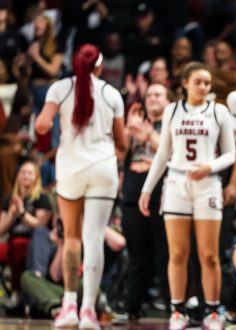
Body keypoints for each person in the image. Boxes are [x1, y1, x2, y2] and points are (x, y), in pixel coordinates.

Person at [35, 44, 127, 330]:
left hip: (71, 167)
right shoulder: (111, 93)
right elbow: (123, 144)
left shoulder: (59, 88)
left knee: (72, 238)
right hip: (103, 168)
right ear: (99, 67)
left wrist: (55, 131)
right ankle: (89, 310)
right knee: (95, 237)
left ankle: (70, 306)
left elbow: (41, 125)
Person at [138, 61, 236, 330]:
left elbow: (230, 154)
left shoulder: (219, 111)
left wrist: (209, 166)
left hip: (207, 184)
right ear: (185, 83)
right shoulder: (172, 110)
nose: (204, 86)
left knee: (209, 255)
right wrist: (147, 189)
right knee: (178, 253)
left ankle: (213, 312)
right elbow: (162, 154)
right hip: (177, 183)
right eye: (198, 82)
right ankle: (177, 310)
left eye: (207, 82)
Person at [120, 84, 171, 320]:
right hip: (132, 195)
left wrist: (147, 135)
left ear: (168, 100)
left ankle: (174, 308)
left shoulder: (171, 123)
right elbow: (120, 155)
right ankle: (132, 309)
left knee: (165, 256)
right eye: (149, 94)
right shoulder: (135, 124)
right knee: (137, 257)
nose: (152, 98)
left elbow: (171, 152)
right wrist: (128, 134)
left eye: (158, 95)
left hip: (163, 197)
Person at [0, 160, 52, 310]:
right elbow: (1, 229)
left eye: (30, 173)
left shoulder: (41, 198)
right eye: (23, 172)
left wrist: (22, 212)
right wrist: (12, 214)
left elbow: (40, 225)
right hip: (12, 239)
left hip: (34, 241)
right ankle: (7, 293)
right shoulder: (9, 199)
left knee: (17, 247)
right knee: (11, 246)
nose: (26, 176)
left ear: (36, 177)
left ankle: (19, 293)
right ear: (17, 176)